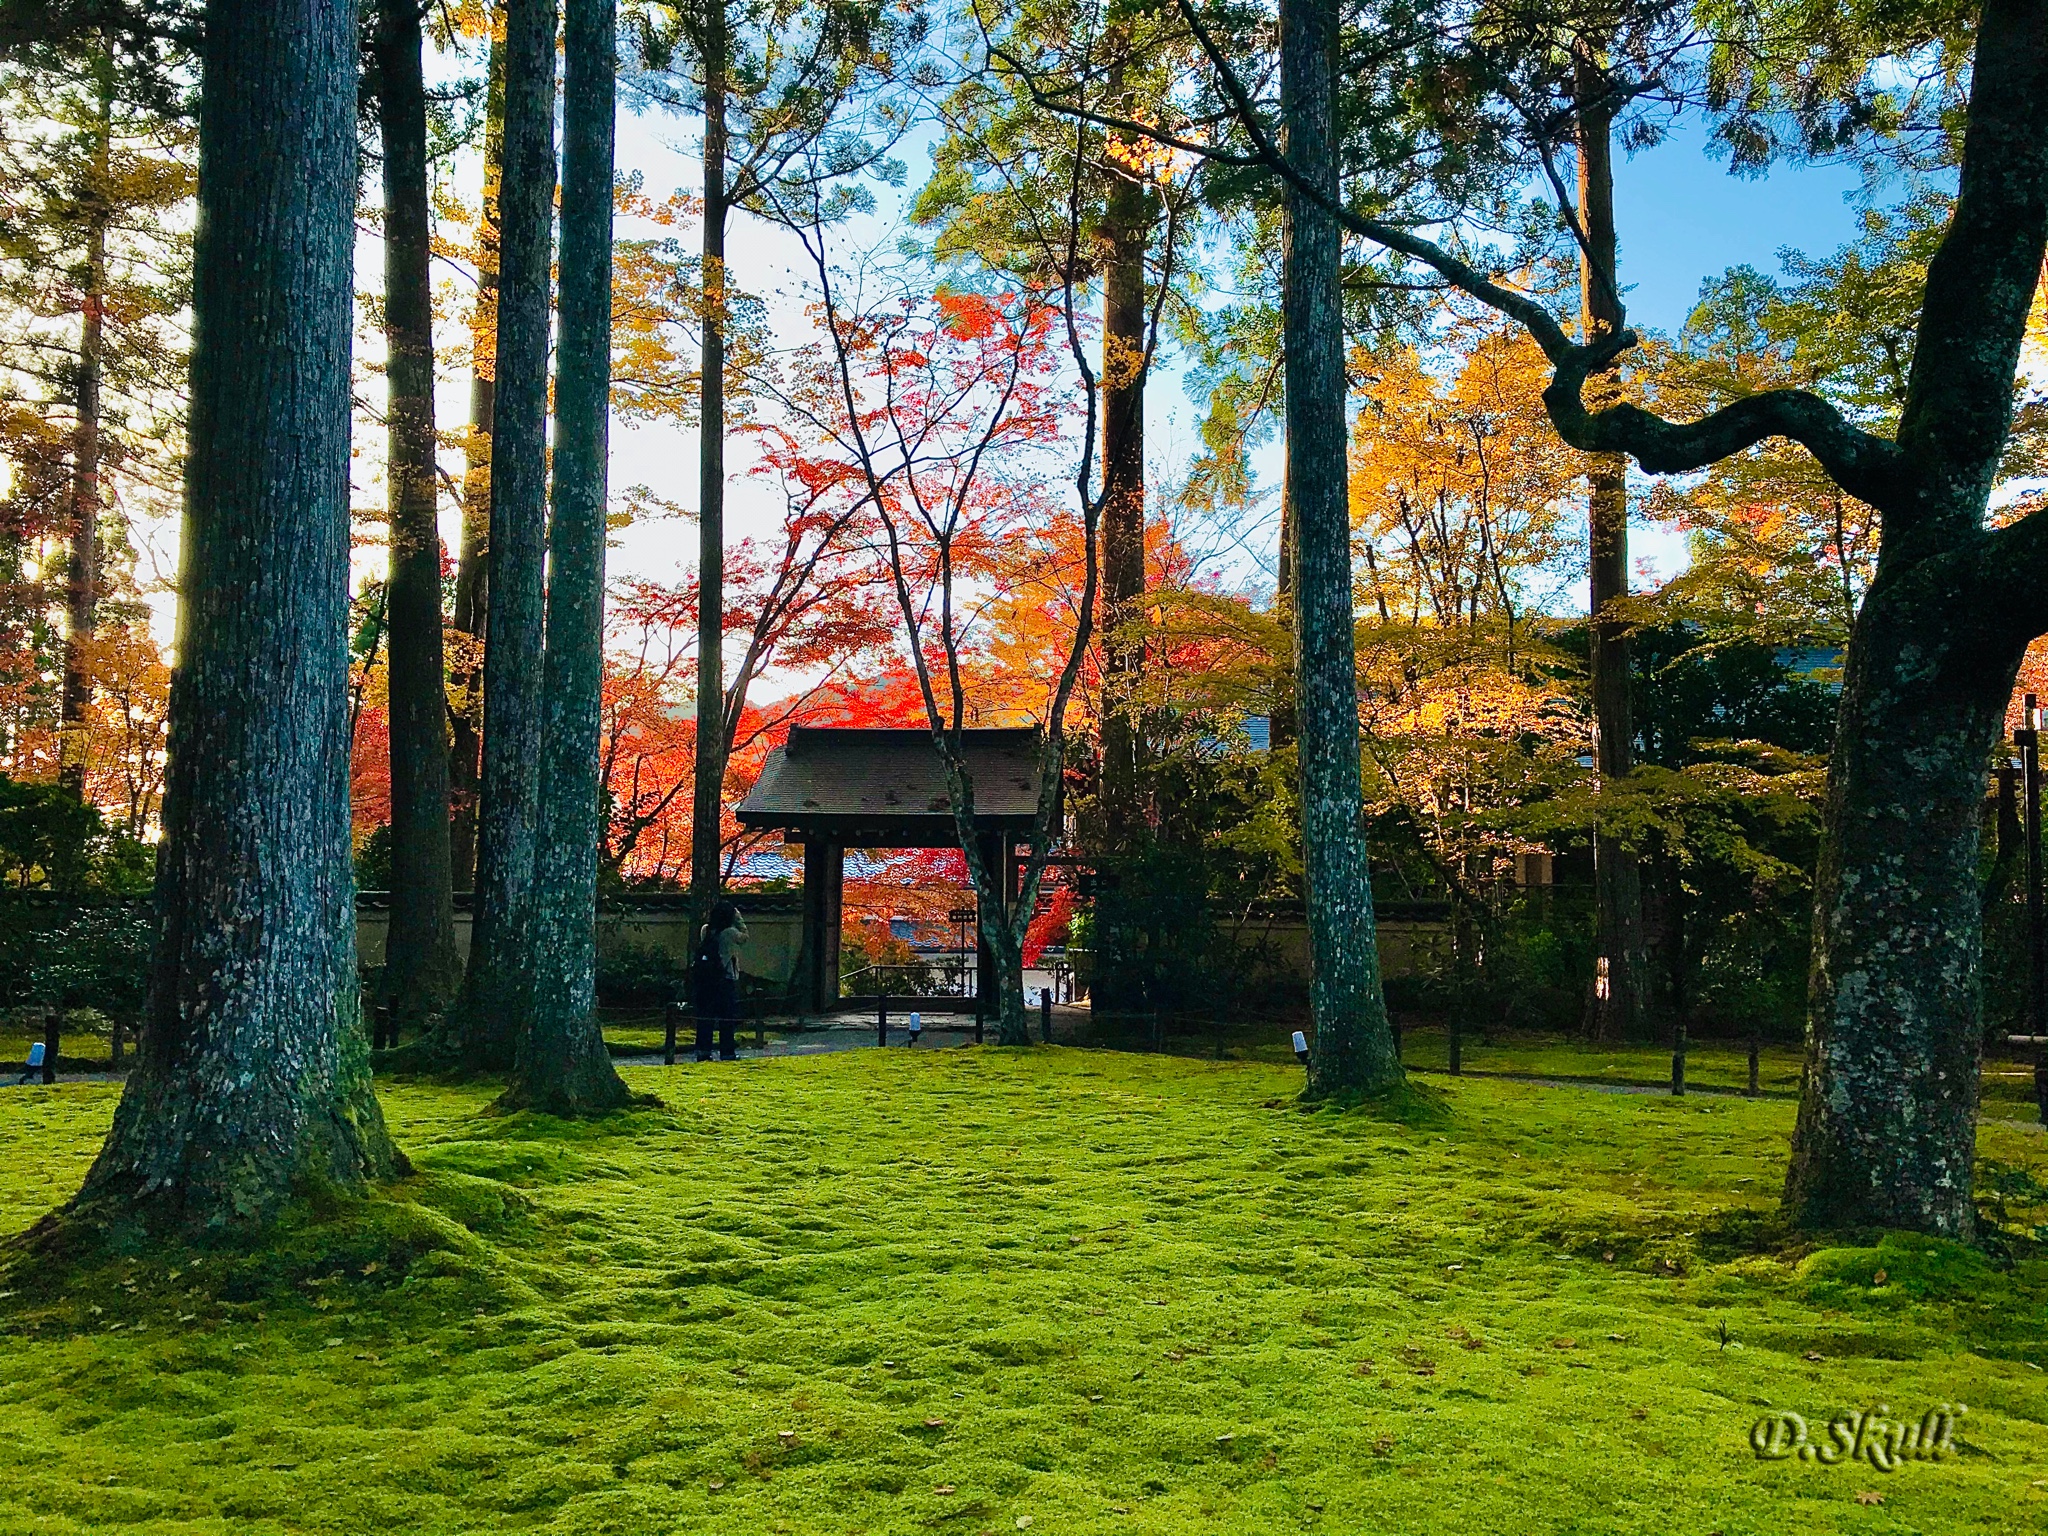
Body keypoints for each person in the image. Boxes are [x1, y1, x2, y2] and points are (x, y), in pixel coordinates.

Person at [693, 899, 747, 1061]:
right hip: (724, 978)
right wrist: (739, 918)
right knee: (726, 1018)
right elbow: (745, 936)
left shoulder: (706, 930)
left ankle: (703, 1051)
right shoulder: (730, 933)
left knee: (705, 1016)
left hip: (706, 979)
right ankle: (727, 1052)